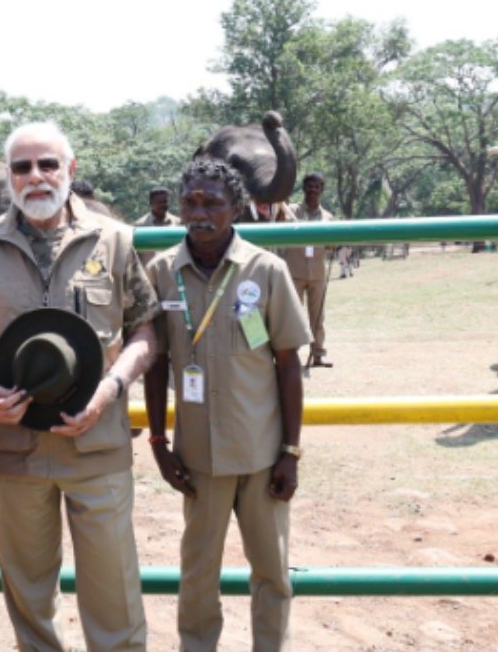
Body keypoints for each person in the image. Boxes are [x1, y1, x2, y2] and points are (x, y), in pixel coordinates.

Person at [0, 121, 159, 651]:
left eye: (48, 165)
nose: (36, 177)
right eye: (22, 167)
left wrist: (111, 386)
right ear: (9, 177)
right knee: (29, 597)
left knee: (115, 595)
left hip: (97, 443)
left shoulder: (114, 240)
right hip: (13, 450)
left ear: (70, 170)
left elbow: (145, 331)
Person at [145, 159, 310, 651]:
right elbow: (155, 365)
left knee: (272, 573)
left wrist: (290, 452)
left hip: (261, 455)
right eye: (191, 201)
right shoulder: (160, 272)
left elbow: (287, 364)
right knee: (197, 577)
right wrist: (157, 441)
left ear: (235, 208)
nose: (201, 213)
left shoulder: (266, 269)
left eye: (213, 202)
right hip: (198, 459)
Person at [283, 173, 335, 367]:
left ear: (321, 189)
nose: (313, 189)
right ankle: (291, 356)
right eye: (309, 186)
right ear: (304, 188)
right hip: (294, 272)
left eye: (317, 186)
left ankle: (318, 354)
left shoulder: (327, 217)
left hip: (317, 274)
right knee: (292, 316)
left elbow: (331, 244)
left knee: (318, 316)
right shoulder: (291, 212)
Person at [133, 187, 182, 267]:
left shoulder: (178, 224)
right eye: (159, 202)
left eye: (165, 202)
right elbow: (135, 256)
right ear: (151, 203)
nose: (163, 205)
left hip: (173, 273)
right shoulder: (140, 226)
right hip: (149, 274)